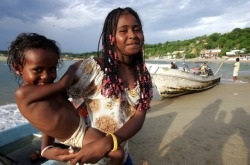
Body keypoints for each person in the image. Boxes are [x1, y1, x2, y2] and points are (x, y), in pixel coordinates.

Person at [41, 7, 153, 165]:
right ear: (110, 38)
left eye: (137, 29)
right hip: (94, 159)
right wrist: (46, 146)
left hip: (123, 156)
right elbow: (53, 103)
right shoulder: (93, 70)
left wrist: (109, 142)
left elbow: (140, 115)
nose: (133, 35)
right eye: (123, 30)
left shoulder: (143, 75)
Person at [6, 33, 124, 165]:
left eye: (52, 69)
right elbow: (64, 85)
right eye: (38, 69)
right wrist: (73, 67)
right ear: (17, 68)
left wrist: (45, 148)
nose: (46, 76)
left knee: (114, 152)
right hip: (80, 134)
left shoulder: (45, 90)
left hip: (82, 128)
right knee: (118, 153)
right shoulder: (23, 93)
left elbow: (48, 120)